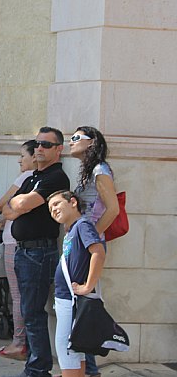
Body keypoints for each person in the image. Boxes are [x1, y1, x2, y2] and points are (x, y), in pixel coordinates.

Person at [1, 126, 70, 377]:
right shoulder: (32, 177)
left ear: (59, 150)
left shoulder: (56, 177)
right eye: (38, 144)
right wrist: (16, 207)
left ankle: (38, 369)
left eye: (46, 145)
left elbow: (22, 204)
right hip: (23, 252)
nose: (39, 148)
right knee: (28, 310)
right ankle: (36, 364)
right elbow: (9, 209)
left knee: (32, 311)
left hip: (39, 253)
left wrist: (17, 206)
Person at [69, 126, 119, 377]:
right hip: (83, 242)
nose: (71, 141)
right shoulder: (89, 171)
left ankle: (90, 371)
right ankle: (85, 369)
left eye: (76, 138)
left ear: (92, 143)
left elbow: (113, 209)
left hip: (89, 245)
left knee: (86, 305)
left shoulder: (100, 170)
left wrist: (92, 239)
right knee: (80, 307)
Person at [47, 191, 106, 377]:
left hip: (71, 299)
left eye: (57, 204)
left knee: (66, 349)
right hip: (67, 300)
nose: (53, 210)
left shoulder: (82, 225)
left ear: (72, 202)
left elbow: (98, 252)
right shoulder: (73, 229)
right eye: (50, 208)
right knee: (73, 352)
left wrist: (88, 286)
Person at [0, 140, 38, 361]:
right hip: (20, 239)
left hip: (14, 242)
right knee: (23, 295)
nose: (20, 160)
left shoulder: (26, 177)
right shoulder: (35, 180)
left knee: (17, 295)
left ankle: (19, 342)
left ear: (34, 157)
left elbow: (2, 202)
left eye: (23, 155)